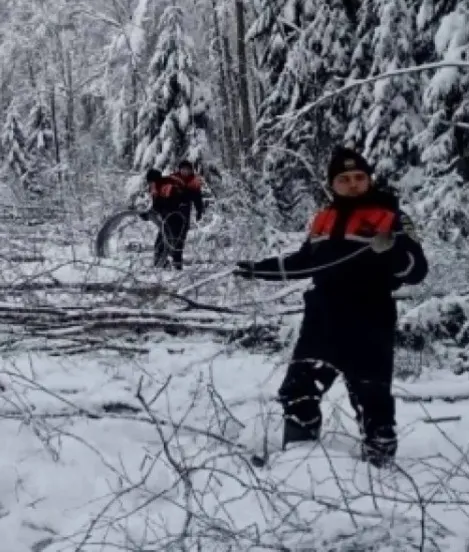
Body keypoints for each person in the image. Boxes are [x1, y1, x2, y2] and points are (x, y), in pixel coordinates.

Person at [232, 147, 428, 467]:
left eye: (359, 178)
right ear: (332, 184)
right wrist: (259, 269)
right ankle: (300, 465)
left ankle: (381, 474)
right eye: (344, 179)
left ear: (369, 180)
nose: (353, 184)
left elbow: (417, 271)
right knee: (298, 389)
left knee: (372, 400)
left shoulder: (391, 217)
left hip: (370, 318)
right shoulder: (324, 218)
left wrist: (391, 251)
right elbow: (303, 262)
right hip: (322, 317)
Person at [141, 160, 205, 269]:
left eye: (187, 169)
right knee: (163, 240)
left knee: (177, 242)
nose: (185, 171)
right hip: (169, 217)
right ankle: (160, 263)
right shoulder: (164, 184)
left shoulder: (179, 183)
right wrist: (149, 214)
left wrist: (199, 211)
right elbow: (158, 204)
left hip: (180, 217)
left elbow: (196, 198)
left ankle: (175, 266)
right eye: (183, 169)